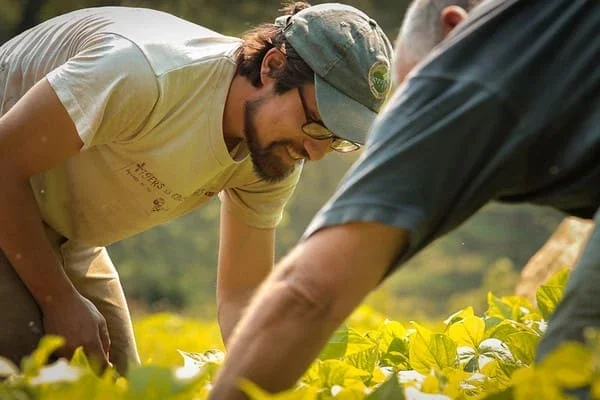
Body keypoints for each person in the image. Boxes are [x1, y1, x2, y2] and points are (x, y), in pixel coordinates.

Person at [210, 0, 599, 397]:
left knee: (571, 365)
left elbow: (309, 293)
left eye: (423, 101)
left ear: (455, 29)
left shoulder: (482, 52)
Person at [0, 2, 393, 374]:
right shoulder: (145, 74)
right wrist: (58, 300)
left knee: (119, 383)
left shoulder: (273, 156)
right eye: (316, 123)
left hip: (61, 228)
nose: (316, 152)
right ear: (273, 66)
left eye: (338, 139)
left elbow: (241, 297)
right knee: (26, 360)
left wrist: (258, 380)